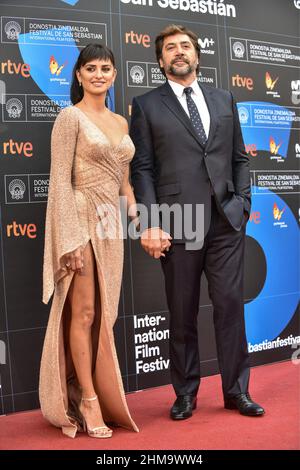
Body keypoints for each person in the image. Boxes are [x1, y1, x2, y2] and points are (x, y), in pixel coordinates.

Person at [130, 25, 265, 420]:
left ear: (197, 55)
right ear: (160, 60)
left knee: (229, 308)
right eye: (169, 48)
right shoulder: (147, 104)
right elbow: (142, 168)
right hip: (178, 221)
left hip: (226, 220)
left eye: (184, 46)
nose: (178, 52)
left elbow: (239, 157)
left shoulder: (224, 98)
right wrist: (152, 222)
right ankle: (185, 393)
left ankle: (237, 391)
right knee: (182, 310)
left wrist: (242, 202)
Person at [39, 43, 139, 438]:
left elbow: (125, 181)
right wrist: (70, 239)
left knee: (104, 315)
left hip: (111, 223)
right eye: (91, 68)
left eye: (106, 68)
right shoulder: (70, 118)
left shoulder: (121, 122)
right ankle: (88, 399)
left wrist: (142, 221)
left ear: (114, 75)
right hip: (80, 217)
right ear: (78, 75)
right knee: (82, 312)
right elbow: (60, 181)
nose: (99, 74)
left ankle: (88, 386)